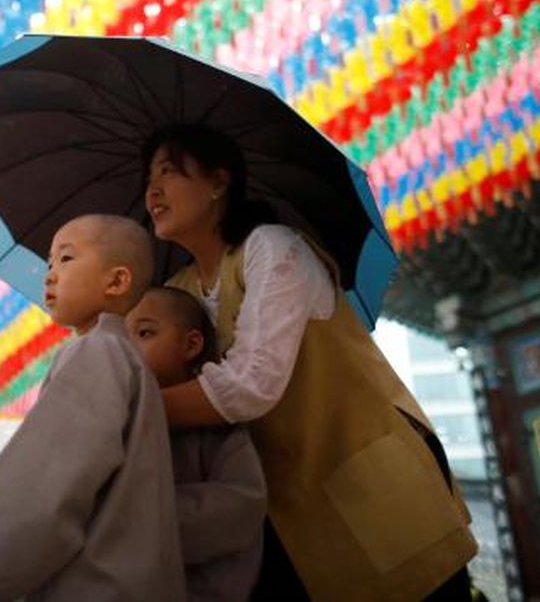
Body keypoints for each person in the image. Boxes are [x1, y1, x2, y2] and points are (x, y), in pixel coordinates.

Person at [143, 124, 478, 602]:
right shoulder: (176, 292)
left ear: (219, 182)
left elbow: (251, 384)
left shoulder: (273, 248)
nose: (152, 189)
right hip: (285, 512)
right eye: (149, 177)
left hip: (370, 483)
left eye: (169, 172)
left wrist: (134, 409)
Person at [0, 214, 187, 602]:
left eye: (67, 259)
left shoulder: (97, 352)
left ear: (117, 281)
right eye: (51, 261)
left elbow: (49, 485)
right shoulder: (125, 359)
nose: (50, 274)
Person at [128, 286, 267, 601]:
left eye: (145, 333)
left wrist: (134, 521)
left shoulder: (216, 427)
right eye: (120, 340)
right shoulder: (115, 422)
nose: (128, 349)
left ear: (191, 344)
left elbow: (241, 506)